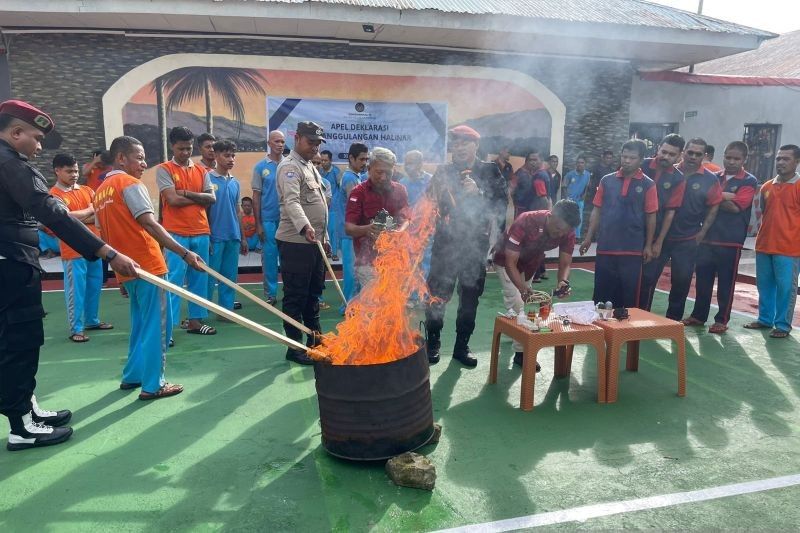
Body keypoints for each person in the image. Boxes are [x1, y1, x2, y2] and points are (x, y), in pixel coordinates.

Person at [0, 100, 137, 451]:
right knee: (19, 342)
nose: (40, 145)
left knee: (18, 341)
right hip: (11, 265)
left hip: (12, 262)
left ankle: (28, 410)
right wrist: (107, 252)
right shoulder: (11, 164)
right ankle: (22, 427)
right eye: (35, 136)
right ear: (15, 133)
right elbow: (53, 215)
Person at [95, 135, 202, 400]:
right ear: (121, 158)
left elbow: (103, 235)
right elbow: (151, 224)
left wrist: (118, 275)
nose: (144, 164)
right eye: (139, 157)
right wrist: (184, 252)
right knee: (157, 327)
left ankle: (133, 376)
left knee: (140, 324)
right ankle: (154, 384)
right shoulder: (129, 184)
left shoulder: (100, 192)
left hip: (127, 268)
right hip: (148, 266)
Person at [425, 125, 507, 367]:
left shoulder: (490, 171)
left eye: (464, 143)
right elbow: (430, 203)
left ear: (476, 145)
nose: (458, 147)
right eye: (455, 143)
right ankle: (433, 342)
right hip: (445, 245)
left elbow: (502, 204)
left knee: (470, 299)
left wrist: (479, 192)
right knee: (436, 297)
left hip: (475, 246)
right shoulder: (443, 172)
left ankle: (462, 346)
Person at [640, 138, 722, 320]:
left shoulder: (710, 179)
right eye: (690, 152)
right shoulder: (669, 170)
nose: (693, 157)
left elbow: (714, 206)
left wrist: (701, 234)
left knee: (681, 281)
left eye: (698, 154)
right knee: (647, 278)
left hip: (687, 240)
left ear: (704, 155)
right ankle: (641, 317)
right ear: (683, 152)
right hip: (660, 237)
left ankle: (673, 321)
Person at [494, 200, 580, 368]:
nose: (560, 233)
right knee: (520, 303)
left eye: (565, 231)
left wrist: (562, 281)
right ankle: (522, 354)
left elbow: (565, 263)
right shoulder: (526, 220)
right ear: (552, 215)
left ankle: (515, 331)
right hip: (506, 261)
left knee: (525, 304)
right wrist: (522, 288)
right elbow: (510, 263)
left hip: (530, 263)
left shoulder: (567, 231)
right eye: (558, 228)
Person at [685, 141, 758, 334]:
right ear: (722, 156)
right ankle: (699, 315)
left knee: (726, 283)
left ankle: (721, 320)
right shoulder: (714, 177)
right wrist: (723, 196)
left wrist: (714, 197)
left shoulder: (749, 180)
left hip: (730, 241)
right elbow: (702, 201)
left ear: (744, 160)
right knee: (702, 280)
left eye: (736, 158)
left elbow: (736, 207)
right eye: (728, 157)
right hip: (706, 238)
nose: (732, 161)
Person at [275, 121, 329, 365]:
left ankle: (315, 339)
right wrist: (305, 226)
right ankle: (294, 346)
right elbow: (292, 202)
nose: (314, 147)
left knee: (314, 293)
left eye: (318, 143)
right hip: (296, 241)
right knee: (296, 295)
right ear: (297, 138)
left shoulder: (309, 166)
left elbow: (319, 205)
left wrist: (324, 236)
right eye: (311, 142)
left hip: (314, 243)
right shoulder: (289, 167)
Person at [579, 140, 657, 308]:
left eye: (632, 158)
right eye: (624, 156)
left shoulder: (648, 184)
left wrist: (648, 245)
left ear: (641, 160)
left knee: (629, 295)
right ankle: (601, 331)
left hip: (632, 248)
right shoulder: (607, 181)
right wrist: (588, 238)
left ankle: (628, 333)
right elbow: (597, 210)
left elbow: (651, 216)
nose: (627, 161)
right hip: (606, 246)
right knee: (601, 293)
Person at [157, 127, 217, 337]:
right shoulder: (164, 169)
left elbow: (211, 199)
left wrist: (184, 192)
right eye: (181, 148)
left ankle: (195, 321)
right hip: (175, 233)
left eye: (189, 148)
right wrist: (198, 196)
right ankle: (168, 331)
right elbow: (171, 200)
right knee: (173, 280)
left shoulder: (202, 171)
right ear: (172, 146)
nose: (185, 152)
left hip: (201, 231)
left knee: (199, 278)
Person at [49, 153, 111, 343]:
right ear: (57, 171)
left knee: (94, 286)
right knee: (75, 291)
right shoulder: (53, 195)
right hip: (72, 250)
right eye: (69, 171)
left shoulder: (87, 190)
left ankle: (92, 320)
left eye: (76, 171)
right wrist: (89, 211)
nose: (74, 174)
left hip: (95, 247)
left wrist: (77, 216)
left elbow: (100, 215)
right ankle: (76, 328)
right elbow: (64, 219)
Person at [744, 145, 800, 338]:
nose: (781, 162)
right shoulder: (767, 186)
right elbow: (765, 212)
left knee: (786, 288)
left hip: (789, 248)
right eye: (778, 158)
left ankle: (783, 325)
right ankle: (765, 319)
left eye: (786, 159)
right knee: (764, 285)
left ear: (797, 162)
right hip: (764, 245)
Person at [345, 147, 410, 286]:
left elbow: (406, 218)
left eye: (388, 172)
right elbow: (349, 228)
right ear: (369, 169)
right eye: (379, 172)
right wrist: (368, 229)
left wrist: (400, 231)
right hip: (368, 262)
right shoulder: (358, 192)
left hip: (394, 259)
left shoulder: (400, 190)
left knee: (393, 303)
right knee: (372, 304)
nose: (383, 177)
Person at [637, 134, 687, 309]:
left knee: (648, 278)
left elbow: (670, 213)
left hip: (657, 233)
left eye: (671, 154)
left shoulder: (678, 178)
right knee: (626, 275)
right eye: (664, 152)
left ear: (679, 156)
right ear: (658, 148)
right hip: (632, 231)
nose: (666, 156)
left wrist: (658, 242)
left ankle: (642, 318)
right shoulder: (641, 165)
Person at [206, 140, 243, 313]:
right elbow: (204, 211)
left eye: (233, 156)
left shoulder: (235, 182)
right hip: (215, 237)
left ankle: (225, 310)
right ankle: (202, 311)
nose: (231, 159)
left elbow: (237, 211)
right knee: (209, 277)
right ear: (216, 155)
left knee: (229, 277)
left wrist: (241, 237)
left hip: (233, 237)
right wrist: (207, 236)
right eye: (227, 155)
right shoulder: (207, 179)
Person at [251, 130, 285, 306]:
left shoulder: (289, 165)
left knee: (288, 258)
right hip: (268, 220)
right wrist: (258, 224)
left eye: (282, 141)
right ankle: (271, 294)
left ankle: (290, 290)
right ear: (269, 143)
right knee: (270, 258)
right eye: (277, 141)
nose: (280, 144)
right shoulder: (260, 167)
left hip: (288, 220)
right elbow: (256, 197)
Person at [336, 143, 369, 310]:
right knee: (350, 273)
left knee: (356, 272)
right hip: (349, 234)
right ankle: (348, 306)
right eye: (362, 159)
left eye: (366, 159)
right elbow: (354, 207)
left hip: (355, 233)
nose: (365, 162)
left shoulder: (357, 176)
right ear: (351, 158)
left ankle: (353, 305)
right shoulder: (350, 178)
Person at [512, 151, 550, 218]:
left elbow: (543, 199)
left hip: (535, 213)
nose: (532, 162)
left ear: (541, 160)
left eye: (535, 160)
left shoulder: (539, 176)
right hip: (524, 208)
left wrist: (541, 215)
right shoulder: (541, 173)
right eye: (530, 160)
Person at [318, 150, 341, 258]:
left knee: (333, 230)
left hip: (334, 206)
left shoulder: (336, 171)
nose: (323, 162)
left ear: (330, 160)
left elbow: (340, 188)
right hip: (320, 205)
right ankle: (325, 252)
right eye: (321, 160)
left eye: (325, 160)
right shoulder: (318, 171)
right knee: (323, 229)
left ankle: (334, 253)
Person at [562, 155, 590, 237]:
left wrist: (584, 195)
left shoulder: (588, 175)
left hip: (579, 201)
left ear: (585, 164)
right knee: (569, 219)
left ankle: (576, 237)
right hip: (570, 200)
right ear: (575, 164)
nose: (580, 164)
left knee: (579, 219)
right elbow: (564, 186)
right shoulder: (570, 174)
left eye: (582, 163)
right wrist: (567, 198)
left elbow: (587, 187)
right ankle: (567, 236)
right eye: (578, 162)